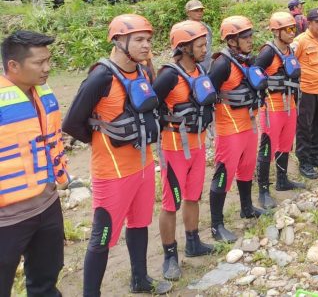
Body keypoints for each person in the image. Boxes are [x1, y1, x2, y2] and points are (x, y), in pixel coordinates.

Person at [63, 15, 171, 295]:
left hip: (145, 165)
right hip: (112, 173)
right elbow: (72, 123)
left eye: (148, 39)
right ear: (118, 41)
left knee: (139, 223)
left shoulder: (145, 72)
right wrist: (102, 140)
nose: (147, 46)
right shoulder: (101, 76)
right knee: (102, 237)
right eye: (139, 40)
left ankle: (140, 280)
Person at [0, 31, 69, 297]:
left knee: (46, 280)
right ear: (13, 66)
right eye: (38, 63)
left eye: (48, 60)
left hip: (47, 205)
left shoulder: (43, 93)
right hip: (6, 219)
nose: (47, 68)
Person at [153, 21, 216, 281]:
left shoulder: (200, 69)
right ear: (184, 48)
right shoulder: (169, 76)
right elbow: (149, 106)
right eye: (200, 45)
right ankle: (169, 256)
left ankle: (193, 242)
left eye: (205, 44)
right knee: (171, 203)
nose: (205, 49)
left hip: (198, 144)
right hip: (173, 148)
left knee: (193, 196)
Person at [207, 16, 265, 242]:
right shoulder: (222, 63)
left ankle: (247, 207)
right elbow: (207, 92)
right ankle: (216, 225)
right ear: (232, 41)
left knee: (247, 168)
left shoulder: (247, 60)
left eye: (251, 35)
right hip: (228, 128)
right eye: (245, 37)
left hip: (249, 124)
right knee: (224, 174)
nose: (250, 40)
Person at [254, 12, 306, 208]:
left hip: (289, 105)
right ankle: (263, 191)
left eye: (294, 29)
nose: (293, 32)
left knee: (285, 144)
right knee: (267, 147)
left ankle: (282, 180)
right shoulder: (268, 52)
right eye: (289, 29)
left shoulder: (289, 51)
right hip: (272, 107)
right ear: (276, 32)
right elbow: (255, 74)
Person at [294, 8, 318, 180]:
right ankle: (304, 161)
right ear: (309, 23)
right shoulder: (300, 41)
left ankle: (315, 154)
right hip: (306, 90)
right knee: (305, 127)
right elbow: (289, 63)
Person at [185, 0, 213, 72]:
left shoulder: (206, 27)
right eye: (196, 10)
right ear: (188, 13)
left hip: (208, 66)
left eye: (201, 10)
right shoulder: (184, 30)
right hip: (193, 69)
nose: (199, 13)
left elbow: (209, 46)